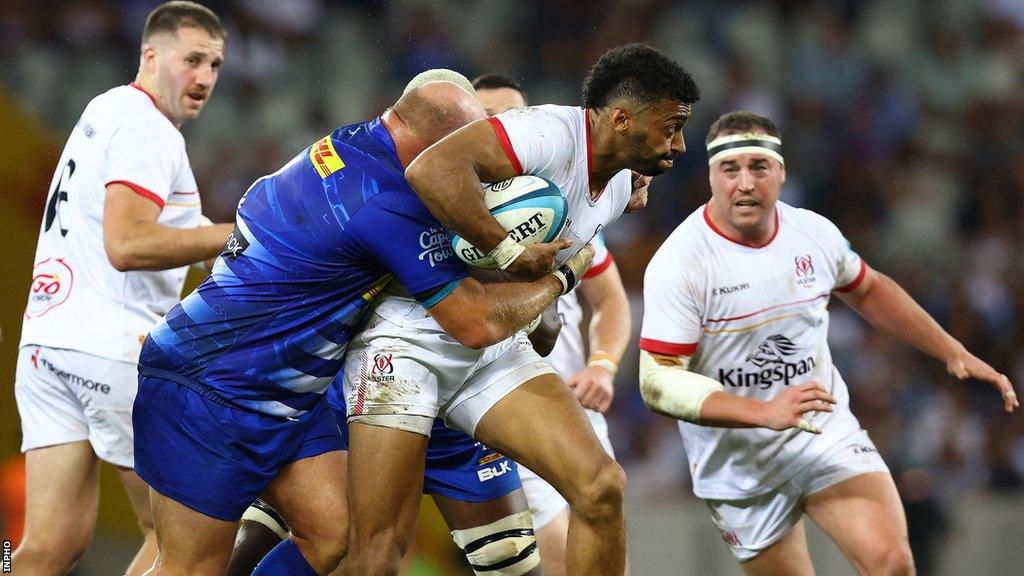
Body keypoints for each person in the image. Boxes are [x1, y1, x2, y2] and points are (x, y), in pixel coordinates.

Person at [133, 69, 588, 575]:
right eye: (464, 152)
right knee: (192, 567)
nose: (477, 168)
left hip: (288, 395)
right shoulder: (387, 202)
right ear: (433, 145)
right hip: (208, 388)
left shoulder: (352, 143)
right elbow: (473, 323)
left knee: (342, 540)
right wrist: (559, 279)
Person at [339, 43, 699, 576]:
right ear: (622, 119)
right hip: (407, 343)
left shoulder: (622, 185)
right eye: (672, 126)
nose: (682, 143)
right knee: (378, 553)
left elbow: (561, 279)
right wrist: (507, 248)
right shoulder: (548, 133)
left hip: (490, 352)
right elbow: (431, 170)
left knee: (601, 488)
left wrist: (544, 310)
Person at [638, 110, 1018, 575]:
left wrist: (951, 350)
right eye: (730, 168)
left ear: (781, 172)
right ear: (711, 176)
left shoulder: (812, 234)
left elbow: (869, 288)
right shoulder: (681, 263)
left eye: (759, 167)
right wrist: (764, 412)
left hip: (822, 433)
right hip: (737, 465)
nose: (745, 183)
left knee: (892, 564)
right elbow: (657, 382)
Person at [12, 3, 231, 575]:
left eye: (214, 64)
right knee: (177, 540)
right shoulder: (148, 127)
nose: (204, 78)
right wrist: (238, 234)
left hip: (46, 343)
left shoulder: (104, 108)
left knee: (44, 548)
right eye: (192, 60)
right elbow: (128, 244)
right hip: (112, 351)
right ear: (151, 56)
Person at [473, 73, 632, 576]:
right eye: (487, 119)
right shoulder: (454, 217)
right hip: (502, 415)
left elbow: (611, 301)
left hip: (571, 407)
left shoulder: (560, 214)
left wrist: (603, 364)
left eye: (513, 117)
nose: (502, 126)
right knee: (553, 560)